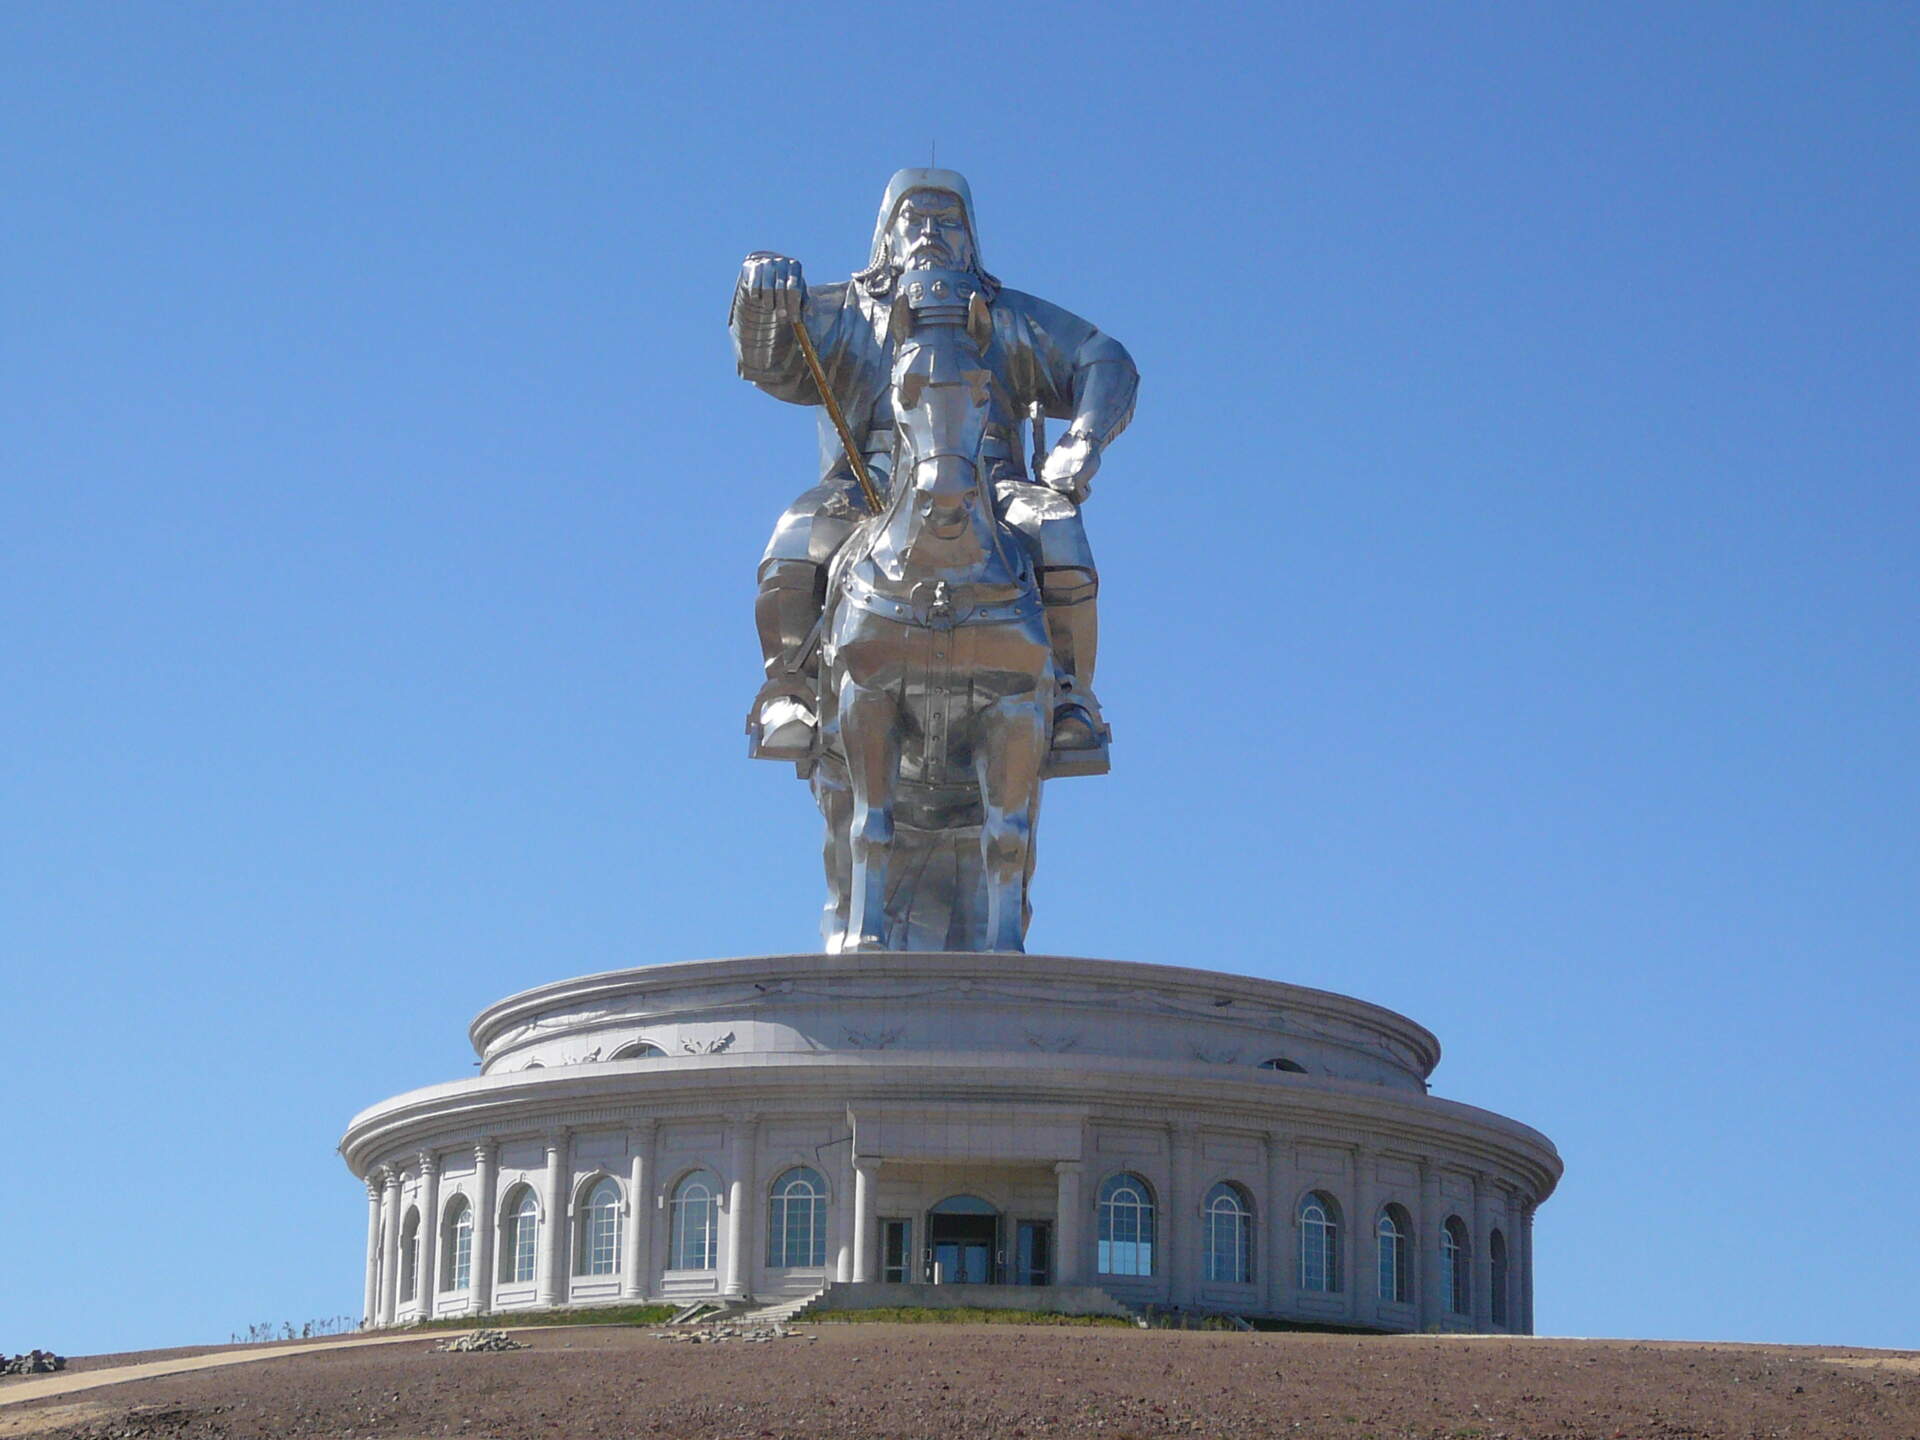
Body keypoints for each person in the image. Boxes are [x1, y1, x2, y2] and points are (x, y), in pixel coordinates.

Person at [731, 168, 1138, 769]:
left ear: (970, 239)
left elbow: (1104, 357)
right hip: (867, 482)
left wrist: (1084, 439)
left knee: (1055, 526)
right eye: (913, 218)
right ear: (886, 236)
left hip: (991, 480)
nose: (929, 231)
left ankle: (1068, 697)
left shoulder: (1010, 316)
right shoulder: (844, 308)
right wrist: (761, 291)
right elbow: (768, 358)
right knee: (797, 533)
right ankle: (788, 690)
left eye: (946, 221)